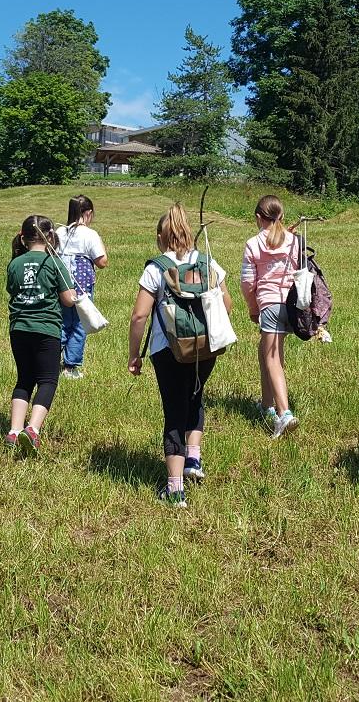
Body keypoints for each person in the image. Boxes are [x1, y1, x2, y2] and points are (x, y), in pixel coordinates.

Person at [127, 203, 232, 508]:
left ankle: (175, 490)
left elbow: (139, 317)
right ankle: (193, 459)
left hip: (168, 350)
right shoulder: (208, 263)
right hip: (206, 347)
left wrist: (135, 354)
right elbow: (227, 305)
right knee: (195, 397)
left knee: (173, 410)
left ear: (161, 237)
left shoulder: (155, 269)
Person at [6, 214, 77, 456]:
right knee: (47, 379)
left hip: (19, 329)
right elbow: (68, 300)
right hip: (46, 329)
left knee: (24, 378)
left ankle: (14, 431)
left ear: (23, 237)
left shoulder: (14, 264)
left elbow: (13, 290)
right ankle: (33, 429)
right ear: (50, 238)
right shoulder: (54, 263)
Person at [241, 194, 301, 438]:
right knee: (267, 352)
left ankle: (284, 413)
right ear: (282, 216)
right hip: (292, 304)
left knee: (273, 358)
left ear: (258, 218)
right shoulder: (294, 240)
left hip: (270, 304)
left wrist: (253, 307)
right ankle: (267, 405)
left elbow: (247, 282)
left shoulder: (253, 243)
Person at [58, 194, 108, 379]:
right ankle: (70, 366)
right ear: (88, 213)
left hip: (62, 283)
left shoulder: (59, 232)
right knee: (80, 324)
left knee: (63, 322)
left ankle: (52, 357)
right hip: (82, 284)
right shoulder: (89, 234)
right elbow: (102, 261)